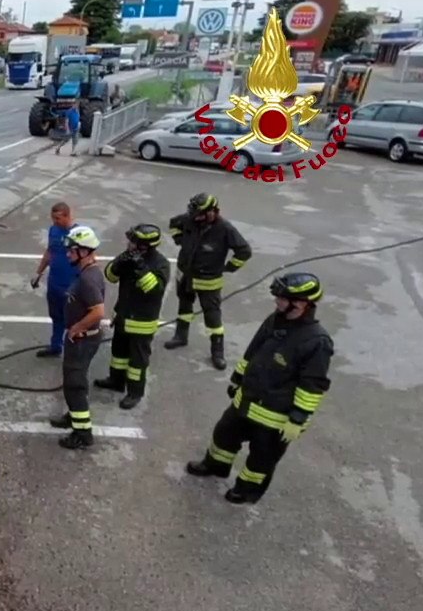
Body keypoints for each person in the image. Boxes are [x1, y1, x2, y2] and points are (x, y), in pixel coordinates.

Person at [185, 272, 333, 505]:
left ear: (301, 303)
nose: (277, 302)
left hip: (274, 416)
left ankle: (246, 490)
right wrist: (237, 378)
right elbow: (254, 351)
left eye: (282, 299)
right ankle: (215, 466)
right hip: (247, 399)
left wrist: (298, 418)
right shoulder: (276, 319)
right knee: (224, 434)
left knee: (262, 458)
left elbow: (312, 385)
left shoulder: (316, 341)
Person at [164, 193, 252, 370]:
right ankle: (181, 337)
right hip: (185, 275)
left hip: (208, 281)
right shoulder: (190, 219)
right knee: (184, 307)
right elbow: (174, 224)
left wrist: (229, 267)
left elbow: (244, 251)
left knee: (212, 317)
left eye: (200, 214)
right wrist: (179, 240)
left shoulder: (225, 229)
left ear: (212, 212)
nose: (195, 217)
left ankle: (217, 353)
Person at [93, 224, 171, 409]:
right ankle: (116, 381)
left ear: (144, 245)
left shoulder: (161, 264)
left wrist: (141, 268)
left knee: (137, 361)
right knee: (118, 353)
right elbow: (110, 276)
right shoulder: (128, 256)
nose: (129, 243)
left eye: (133, 241)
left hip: (142, 322)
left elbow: (154, 290)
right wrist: (120, 263)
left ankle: (135, 392)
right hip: (123, 316)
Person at [47, 226, 105, 450]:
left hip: (82, 339)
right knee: (73, 380)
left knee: (75, 385)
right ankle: (74, 416)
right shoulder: (86, 273)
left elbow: (98, 312)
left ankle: (83, 433)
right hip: (81, 338)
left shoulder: (88, 279)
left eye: (72, 251)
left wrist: (75, 328)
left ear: (84, 251)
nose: (68, 254)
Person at [30, 202, 78, 358]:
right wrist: (38, 273)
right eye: (53, 218)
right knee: (56, 316)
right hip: (55, 283)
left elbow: (90, 259)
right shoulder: (54, 231)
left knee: (73, 318)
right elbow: (50, 252)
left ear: (67, 215)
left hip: (72, 285)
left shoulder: (79, 234)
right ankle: (56, 346)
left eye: (58, 218)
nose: (55, 222)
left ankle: (75, 350)